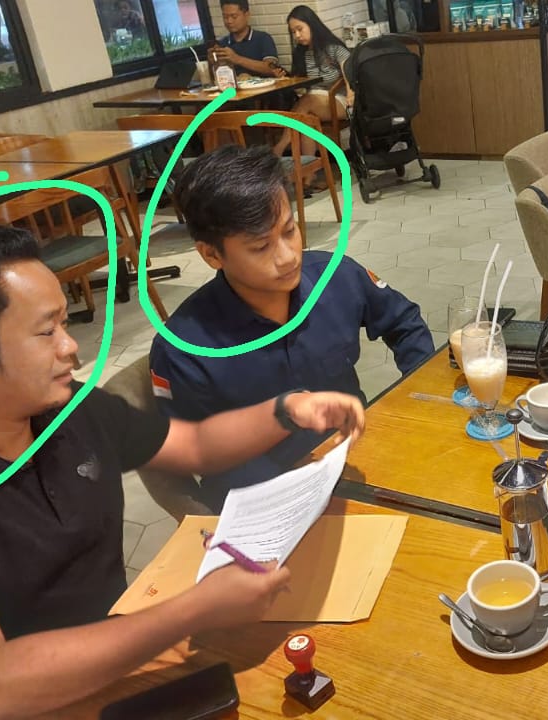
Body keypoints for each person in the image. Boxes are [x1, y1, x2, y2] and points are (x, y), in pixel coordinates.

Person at [0, 227, 367, 719]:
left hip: (111, 672)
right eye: (46, 332)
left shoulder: (68, 411)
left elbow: (195, 446)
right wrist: (196, 610)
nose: (70, 347)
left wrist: (286, 411)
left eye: (65, 323)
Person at [148, 145, 433, 512]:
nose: (287, 257)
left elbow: (404, 322)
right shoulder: (184, 349)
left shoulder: (336, 277)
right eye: (260, 247)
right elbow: (183, 453)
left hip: (358, 464)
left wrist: (418, 401)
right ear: (212, 255)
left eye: (289, 230)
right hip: (265, 504)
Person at [270, 4, 353, 183]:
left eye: (300, 29)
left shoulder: (333, 47)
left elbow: (350, 72)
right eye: (293, 32)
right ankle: (308, 174)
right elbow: (300, 83)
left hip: (340, 100)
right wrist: (286, 78)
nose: (297, 35)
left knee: (306, 102)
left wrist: (351, 94)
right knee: (306, 119)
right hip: (315, 103)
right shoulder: (301, 53)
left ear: (312, 25)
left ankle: (279, 147)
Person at [215, 0, 284, 79]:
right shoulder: (222, 44)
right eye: (225, 17)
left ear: (247, 15)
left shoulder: (263, 38)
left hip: (264, 86)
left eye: (234, 17)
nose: (229, 21)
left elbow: (273, 69)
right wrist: (212, 63)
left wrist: (237, 59)